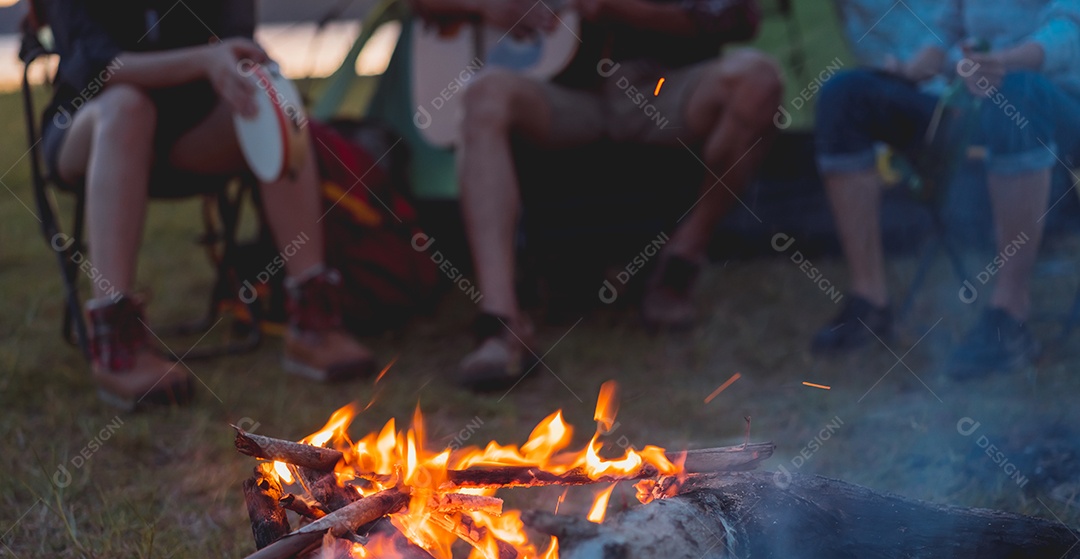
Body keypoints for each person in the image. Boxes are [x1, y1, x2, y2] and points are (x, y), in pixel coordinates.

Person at [410, 0, 782, 390]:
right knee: (483, 95)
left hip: (660, 86)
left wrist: (615, 9)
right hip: (562, 90)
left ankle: (681, 260)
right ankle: (502, 322)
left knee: (758, 81)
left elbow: (735, 17)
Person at [40, 0, 376, 410]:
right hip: (91, 124)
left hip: (190, 129)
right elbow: (98, 66)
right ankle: (117, 341)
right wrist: (203, 60)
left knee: (273, 107)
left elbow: (235, 45)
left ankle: (314, 318)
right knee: (128, 107)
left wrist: (242, 65)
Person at [813, 0, 1080, 380]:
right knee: (846, 95)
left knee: (1017, 94)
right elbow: (949, 25)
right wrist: (922, 61)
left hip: (1060, 99)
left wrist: (1006, 62)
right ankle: (870, 301)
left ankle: (1010, 315)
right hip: (969, 101)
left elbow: (1070, 32)